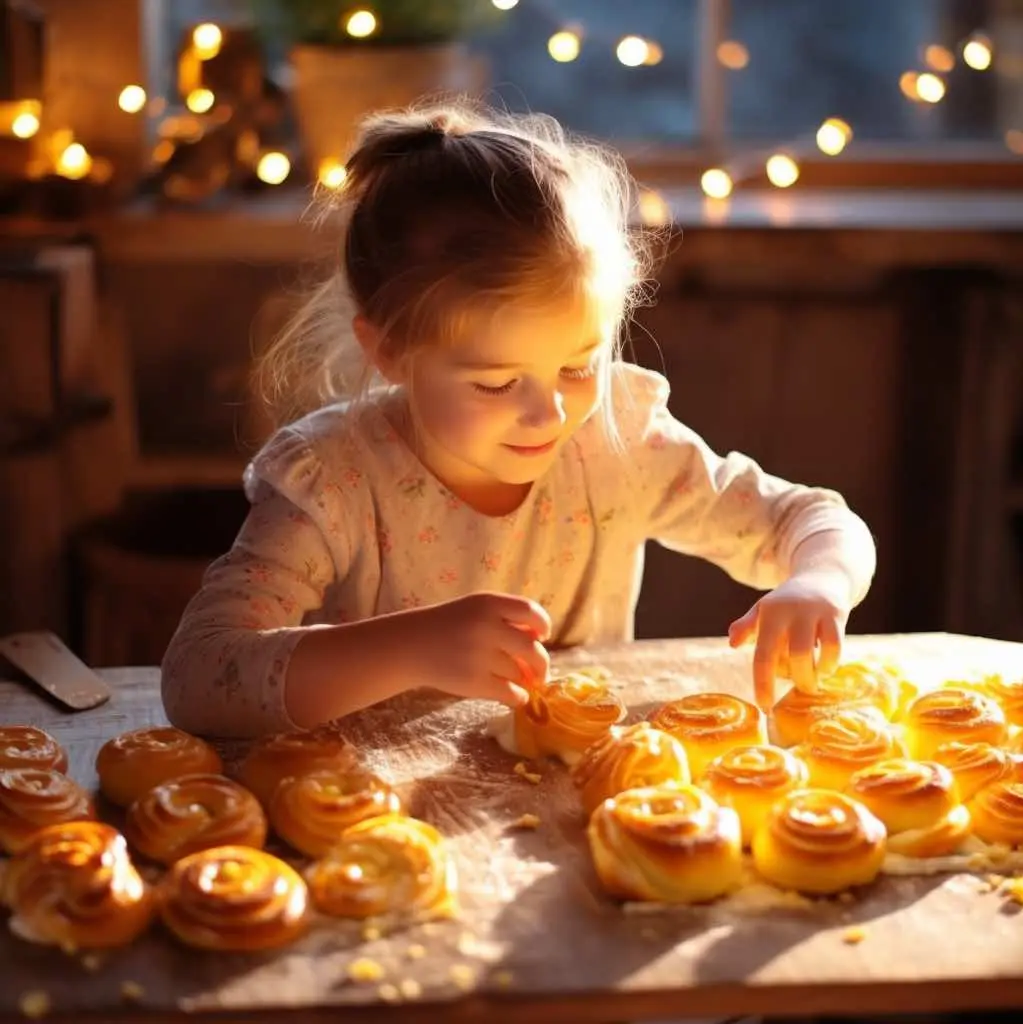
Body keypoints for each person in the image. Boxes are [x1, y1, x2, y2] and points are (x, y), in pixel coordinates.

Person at [161, 101, 876, 739]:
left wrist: (818, 584)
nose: (550, 410)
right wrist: (411, 648)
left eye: (577, 366)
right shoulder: (336, 480)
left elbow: (810, 520)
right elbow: (198, 677)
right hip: (368, 824)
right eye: (497, 381)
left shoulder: (617, 442)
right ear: (389, 350)